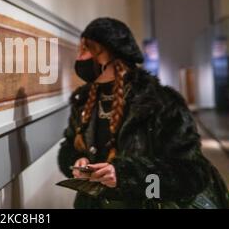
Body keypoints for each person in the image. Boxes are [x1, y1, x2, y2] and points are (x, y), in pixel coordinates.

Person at [58, 17, 229, 209]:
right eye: (80, 49)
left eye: (88, 49)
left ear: (115, 56)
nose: (80, 57)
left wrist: (126, 177)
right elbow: (67, 147)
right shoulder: (83, 101)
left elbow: (191, 175)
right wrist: (76, 162)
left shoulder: (161, 103)